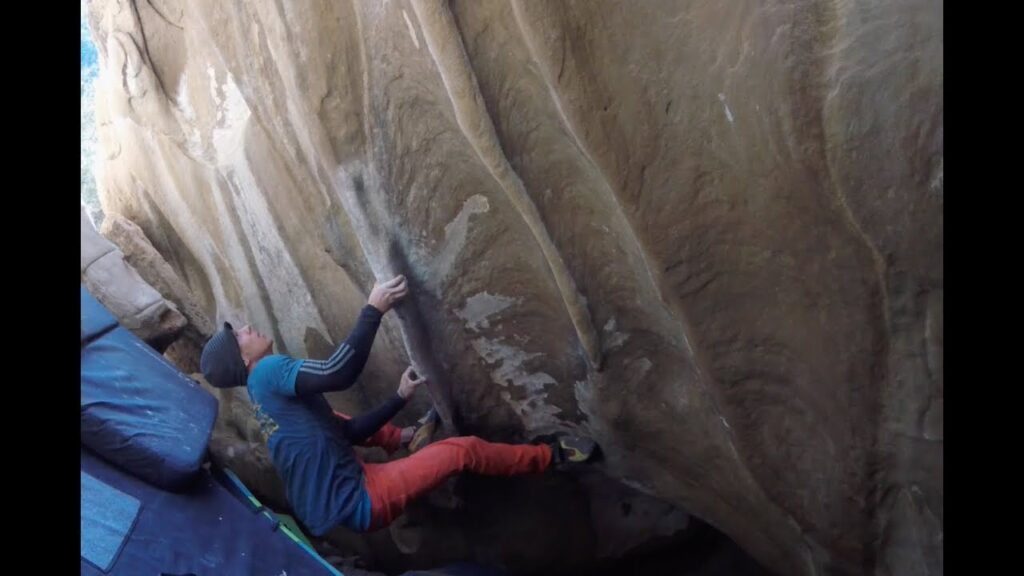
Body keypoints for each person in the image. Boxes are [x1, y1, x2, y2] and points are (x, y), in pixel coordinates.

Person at [199, 274, 598, 536]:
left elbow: (346, 433)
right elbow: (338, 372)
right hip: (358, 500)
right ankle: (552, 455)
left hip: (339, 502)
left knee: (332, 420)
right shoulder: (266, 373)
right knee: (463, 452)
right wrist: (374, 308)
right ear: (243, 361)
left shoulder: (264, 399)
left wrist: (399, 399)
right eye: (238, 338)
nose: (247, 328)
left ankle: (409, 439)